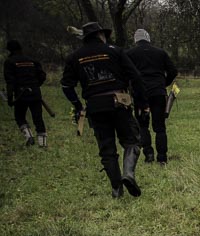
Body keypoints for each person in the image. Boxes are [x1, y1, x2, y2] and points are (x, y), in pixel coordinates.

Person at [60, 22, 147, 199]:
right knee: (132, 140)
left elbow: (66, 85)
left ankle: (116, 189)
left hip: (94, 106)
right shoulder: (115, 51)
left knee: (107, 149)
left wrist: (77, 105)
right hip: (119, 102)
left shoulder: (74, 57)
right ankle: (128, 173)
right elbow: (136, 76)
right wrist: (142, 102)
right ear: (101, 35)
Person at [125, 28, 177, 165]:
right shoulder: (160, 53)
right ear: (148, 38)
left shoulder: (129, 54)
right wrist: (164, 83)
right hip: (158, 93)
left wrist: (130, 86)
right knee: (160, 127)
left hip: (140, 95)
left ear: (135, 40)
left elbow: (124, 73)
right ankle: (162, 158)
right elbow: (173, 71)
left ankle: (148, 154)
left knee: (143, 126)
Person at [4, 40, 47, 147]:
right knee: (38, 118)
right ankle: (43, 144)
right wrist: (35, 86)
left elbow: (10, 82)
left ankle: (29, 137)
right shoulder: (32, 60)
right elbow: (42, 76)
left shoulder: (9, 62)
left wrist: (10, 98)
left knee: (19, 117)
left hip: (20, 95)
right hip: (35, 93)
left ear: (9, 50)